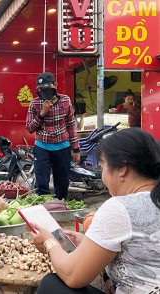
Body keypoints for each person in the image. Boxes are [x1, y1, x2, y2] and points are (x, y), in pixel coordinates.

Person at [31, 128, 160, 293]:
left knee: (52, 284)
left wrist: (50, 243)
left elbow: (73, 275)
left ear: (122, 168)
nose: (102, 175)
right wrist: (89, 243)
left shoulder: (120, 207)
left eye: (102, 166)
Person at [26, 72, 80, 200]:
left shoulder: (66, 100)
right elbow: (29, 128)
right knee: (41, 182)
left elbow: (71, 126)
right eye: (41, 90)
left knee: (62, 182)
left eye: (47, 88)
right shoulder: (35, 103)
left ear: (55, 85)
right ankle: (42, 207)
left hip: (62, 146)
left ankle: (60, 206)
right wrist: (42, 113)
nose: (45, 92)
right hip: (42, 146)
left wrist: (76, 149)